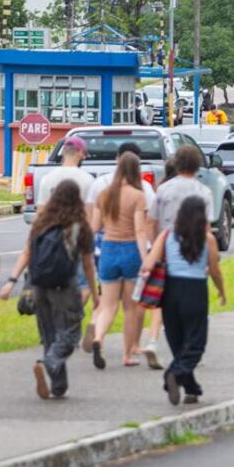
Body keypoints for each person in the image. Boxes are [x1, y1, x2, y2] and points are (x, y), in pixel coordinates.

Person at [0, 181, 98, 399]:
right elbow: (88, 264)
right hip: (65, 285)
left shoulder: (40, 222)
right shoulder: (79, 225)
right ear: (77, 200)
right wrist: (95, 293)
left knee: (49, 335)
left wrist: (11, 281)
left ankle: (59, 387)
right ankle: (47, 363)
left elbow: (26, 253)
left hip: (39, 285)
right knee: (71, 334)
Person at [141, 196, 226, 405]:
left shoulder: (167, 234)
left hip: (169, 291)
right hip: (195, 290)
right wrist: (221, 291)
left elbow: (150, 263)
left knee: (178, 342)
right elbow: (214, 270)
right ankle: (175, 373)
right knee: (196, 343)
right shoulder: (208, 239)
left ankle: (191, 388)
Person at [84, 142, 156, 354]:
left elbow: (95, 227)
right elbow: (140, 231)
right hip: (131, 250)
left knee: (108, 305)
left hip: (108, 249)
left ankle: (98, 337)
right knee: (130, 307)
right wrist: (146, 259)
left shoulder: (104, 194)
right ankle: (128, 354)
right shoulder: (138, 195)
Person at [147, 146, 216, 363]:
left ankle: (153, 340)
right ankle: (189, 349)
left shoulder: (164, 190)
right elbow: (206, 228)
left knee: (164, 297)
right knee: (194, 305)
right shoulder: (203, 192)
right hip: (193, 250)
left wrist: (155, 245)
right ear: (197, 165)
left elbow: (152, 221)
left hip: (166, 247)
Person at [34, 137, 96, 343]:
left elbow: (40, 214)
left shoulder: (47, 179)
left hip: (49, 239)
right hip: (76, 238)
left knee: (51, 284)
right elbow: (88, 215)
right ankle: (70, 319)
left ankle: (54, 324)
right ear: (80, 153)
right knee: (83, 283)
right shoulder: (87, 179)